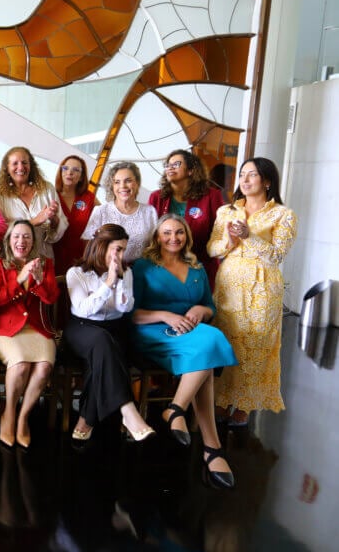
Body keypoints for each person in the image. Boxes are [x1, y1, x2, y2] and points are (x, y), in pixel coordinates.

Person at [132, 214, 237, 489]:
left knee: (211, 338)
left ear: (186, 237)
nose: (173, 238)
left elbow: (208, 307)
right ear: (157, 237)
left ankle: (176, 409)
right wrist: (166, 316)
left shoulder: (197, 267)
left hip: (190, 330)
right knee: (208, 350)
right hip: (154, 331)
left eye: (179, 233)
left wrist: (201, 310)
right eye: (166, 233)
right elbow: (131, 313)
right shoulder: (143, 267)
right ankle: (212, 447)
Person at [209, 157, 297, 425]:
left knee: (256, 345)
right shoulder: (226, 211)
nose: (245, 181)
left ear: (267, 181)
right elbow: (212, 249)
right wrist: (230, 239)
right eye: (242, 175)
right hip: (229, 287)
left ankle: (245, 405)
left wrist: (251, 237)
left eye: (252, 175)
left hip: (263, 288)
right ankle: (222, 401)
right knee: (228, 341)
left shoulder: (283, 215)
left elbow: (277, 255)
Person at [64, 223, 155, 444]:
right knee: (102, 342)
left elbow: (125, 308)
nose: (121, 255)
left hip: (115, 329)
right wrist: (108, 283)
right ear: (101, 246)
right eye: (117, 249)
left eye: (123, 249)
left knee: (104, 352)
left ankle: (86, 418)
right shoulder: (76, 273)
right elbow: (84, 309)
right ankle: (128, 411)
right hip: (82, 328)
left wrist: (120, 280)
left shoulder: (127, 272)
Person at [0, 220, 59, 448]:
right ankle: (8, 413)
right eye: (16, 236)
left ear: (33, 241)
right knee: (21, 366)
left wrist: (38, 280)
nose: (21, 241)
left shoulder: (45, 263)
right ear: (9, 240)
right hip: (6, 328)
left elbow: (51, 298)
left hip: (37, 327)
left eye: (27, 237)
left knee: (44, 367)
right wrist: (19, 279)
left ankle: (23, 417)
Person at [148, 149, 224, 286]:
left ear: (190, 170)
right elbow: (151, 234)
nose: (170, 168)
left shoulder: (211, 196)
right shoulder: (156, 197)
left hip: (202, 266)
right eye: (167, 165)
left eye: (176, 164)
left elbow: (219, 234)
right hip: (164, 267)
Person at [0, 146, 68, 259]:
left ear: (31, 166)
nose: (21, 167)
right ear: (7, 168)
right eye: (15, 163)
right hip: (13, 262)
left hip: (44, 260)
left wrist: (54, 220)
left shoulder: (47, 189)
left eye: (24, 162)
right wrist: (35, 221)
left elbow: (60, 227)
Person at [82, 161, 156, 265]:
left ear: (137, 183)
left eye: (128, 181)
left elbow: (155, 247)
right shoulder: (100, 211)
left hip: (141, 273)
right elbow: (89, 248)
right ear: (112, 186)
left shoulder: (150, 212)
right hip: (107, 273)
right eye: (117, 182)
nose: (123, 186)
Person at [53, 154, 97, 275]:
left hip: (81, 259)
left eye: (76, 170)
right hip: (54, 258)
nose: (69, 172)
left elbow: (105, 222)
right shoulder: (51, 195)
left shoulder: (89, 197)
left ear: (82, 177)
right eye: (65, 168)